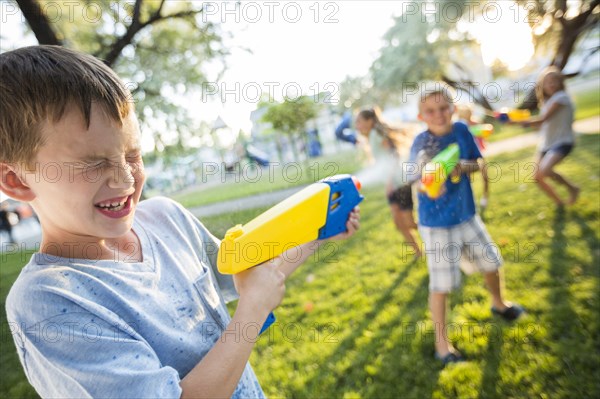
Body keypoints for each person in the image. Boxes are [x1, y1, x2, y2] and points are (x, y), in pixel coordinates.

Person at [0, 46, 360, 398]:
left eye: (132, 154)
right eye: (93, 163)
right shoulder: (46, 302)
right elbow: (253, 299)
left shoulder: (166, 218)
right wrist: (250, 315)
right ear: (17, 181)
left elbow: (250, 276)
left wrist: (320, 230)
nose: (126, 179)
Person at [409, 87, 523, 365]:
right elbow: (417, 179)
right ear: (421, 116)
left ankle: (499, 304)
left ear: (453, 108)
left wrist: (462, 167)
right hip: (437, 225)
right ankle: (442, 346)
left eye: (443, 108)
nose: (438, 114)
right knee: (442, 285)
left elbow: (478, 163)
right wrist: (429, 185)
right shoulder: (421, 143)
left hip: (467, 216)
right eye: (430, 111)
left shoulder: (461, 131)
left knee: (491, 262)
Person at [355, 108, 421, 258]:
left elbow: (394, 156)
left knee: (409, 223)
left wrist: (390, 182)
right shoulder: (372, 136)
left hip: (399, 183)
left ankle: (436, 231)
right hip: (392, 185)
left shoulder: (377, 134)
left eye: (359, 121)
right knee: (398, 223)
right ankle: (418, 252)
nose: (357, 125)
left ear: (369, 121)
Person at [519, 66, 579, 206]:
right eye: (547, 82)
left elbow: (543, 119)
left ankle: (572, 188)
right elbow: (542, 125)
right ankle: (560, 203)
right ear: (542, 86)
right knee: (537, 177)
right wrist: (516, 122)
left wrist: (522, 122)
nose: (551, 84)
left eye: (554, 80)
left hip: (562, 141)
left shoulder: (561, 97)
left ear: (560, 82)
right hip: (547, 144)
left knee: (545, 170)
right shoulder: (547, 102)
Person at [455, 105, 490, 217]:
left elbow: (483, 135)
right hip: (466, 156)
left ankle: (485, 196)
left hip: (478, 153)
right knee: (467, 179)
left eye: (470, 113)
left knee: (485, 174)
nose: (469, 115)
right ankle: (471, 201)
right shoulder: (459, 127)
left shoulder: (475, 123)